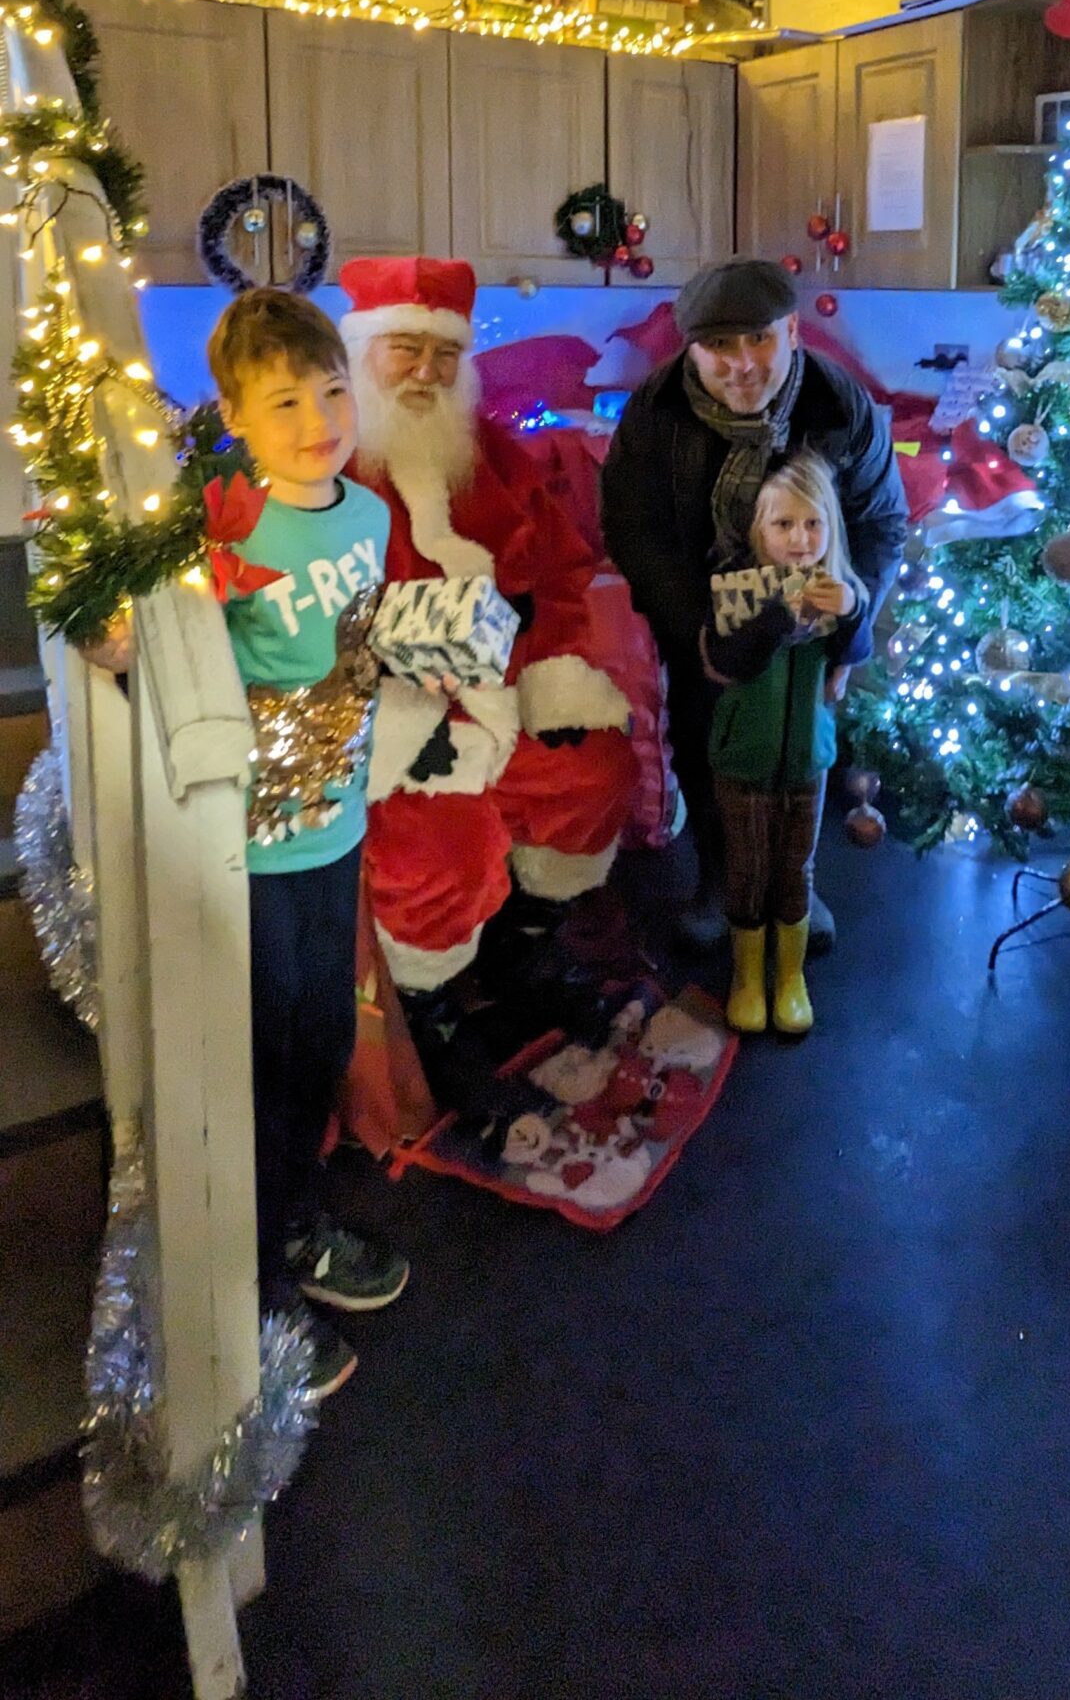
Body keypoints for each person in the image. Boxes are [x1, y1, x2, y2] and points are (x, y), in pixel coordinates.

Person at [207, 287, 411, 1402]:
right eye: (283, 400)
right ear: (235, 414)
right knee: (259, 1057)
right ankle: (248, 1283)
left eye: (332, 390)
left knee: (323, 1038)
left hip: (335, 828)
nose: (317, 419)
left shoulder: (368, 517)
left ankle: (292, 1227)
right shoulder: (227, 523)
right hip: (248, 845)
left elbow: (358, 650)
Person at [338, 256, 635, 1008]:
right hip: (395, 729)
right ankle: (427, 999)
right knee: (440, 853)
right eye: (406, 348)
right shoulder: (327, 466)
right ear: (364, 351)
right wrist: (398, 718)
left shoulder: (496, 457)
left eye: (445, 353)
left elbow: (562, 570)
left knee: (595, 771)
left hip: (504, 694)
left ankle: (529, 938)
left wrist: (554, 670)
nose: (426, 371)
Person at [600, 257, 908, 951]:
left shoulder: (839, 405)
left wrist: (850, 620)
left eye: (759, 339)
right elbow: (631, 526)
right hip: (702, 618)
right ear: (692, 349)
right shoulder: (656, 410)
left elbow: (882, 521)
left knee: (802, 758)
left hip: (811, 630)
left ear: (792, 331)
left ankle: (794, 887)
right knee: (706, 750)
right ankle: (720, 881)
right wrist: (695, 632)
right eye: (719, 345)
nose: (742, 364)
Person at [705, 454, 873, 1035]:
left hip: (808, 759)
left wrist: (851, 611)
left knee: (796, 868)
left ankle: (790, 975)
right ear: (760, 529)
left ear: (830, 528)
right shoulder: (737, 587)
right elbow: (728, 660)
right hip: (743, 759)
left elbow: (855, 652)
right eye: (784, 525)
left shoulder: (838, 586)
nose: (800, 539)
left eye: (812, 524)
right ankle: (748, 976)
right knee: (747, 869)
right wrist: (777, 619)